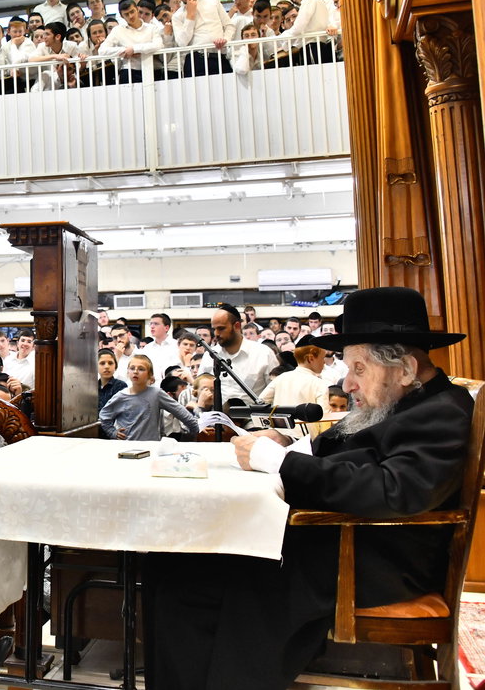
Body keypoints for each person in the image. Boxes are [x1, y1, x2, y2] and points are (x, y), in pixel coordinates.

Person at [146, 287, 475, 690]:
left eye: (358, 369)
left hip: (371, 558)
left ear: (405, 368)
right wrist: (286, 444)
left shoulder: (443, 412)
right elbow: (346, 444)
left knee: (187, 579)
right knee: (177, 563)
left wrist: (277, 461)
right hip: (342, 540)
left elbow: (394, 491)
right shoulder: (405, 399)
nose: (348, 384)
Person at [98, 354, 198, 441]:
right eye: (132, 368)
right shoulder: (121, 396)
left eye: (141, 369)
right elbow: (104, 416)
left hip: (151, 447)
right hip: (127, 448)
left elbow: (181, 413)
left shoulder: (156, 394)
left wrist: (195, 431)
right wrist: (113, 432)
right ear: (128, 372)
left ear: (150, 375)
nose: (136, 371)